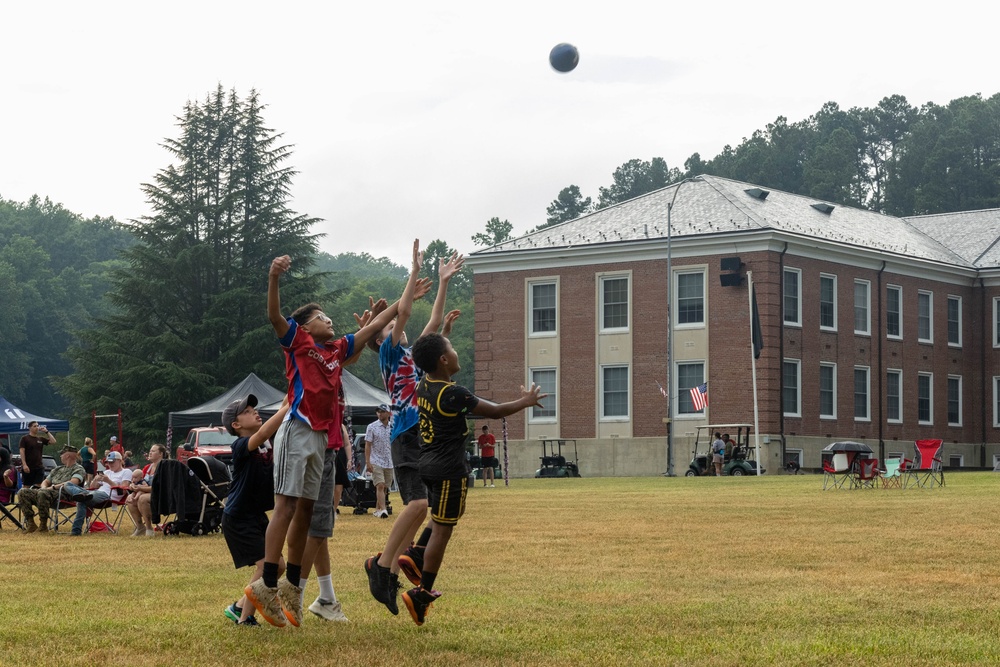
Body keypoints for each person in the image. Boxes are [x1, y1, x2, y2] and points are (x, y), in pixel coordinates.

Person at [244, 253, 398, 629]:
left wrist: (408, 289)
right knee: (286, 508)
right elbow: (275, 317)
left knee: (309, 512)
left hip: (320, 440)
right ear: (307, 327)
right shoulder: (298, 342)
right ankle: (266, 583)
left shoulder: (334, 351)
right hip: (298, 431)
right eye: (322, 316)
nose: (329, 319)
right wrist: (274, 277)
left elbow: (375, 327)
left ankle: (294, 586)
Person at [400, 332, 546, 626]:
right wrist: (526, 401)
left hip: (426, 464)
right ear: (443, 360)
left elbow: (430, 354)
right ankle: (422, 592)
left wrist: (444, 333)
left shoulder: (424, 384)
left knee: (442, 517)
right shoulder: (454, 393)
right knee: (444, 529)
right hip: (448, 469)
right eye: (451, 348)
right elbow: (494, 412)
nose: (455, 352)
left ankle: (415, 553)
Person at [364, 241, 462, 616]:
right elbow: (404, 310)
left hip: (423, 435)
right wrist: (412, 273)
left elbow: (433, 324)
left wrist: (442, 283)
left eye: (397, 326)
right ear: (380, 339)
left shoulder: (412, 357)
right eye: (390, 327)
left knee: (429, 506)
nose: (398, 327)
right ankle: (382, 564)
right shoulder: (389, 353)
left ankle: (407, 557)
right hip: (405, 433)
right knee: (418, 502)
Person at [221, 394, 289, 628]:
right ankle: (245, 619)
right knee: (265, 566)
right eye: (248, 411)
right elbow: (264, 432)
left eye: (254, 409)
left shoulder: (263, 441)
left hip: (256, 514)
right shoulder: (240, 445)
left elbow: (282, 406)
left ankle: (239, 607)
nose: (255, 412)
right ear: (236, 425)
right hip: (238, 518)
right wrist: (287, 408)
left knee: (278, 566)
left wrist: (296, 381)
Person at [17, 445, 86, 533]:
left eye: (62, 454)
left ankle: (43, 525)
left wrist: (52, 488)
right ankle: (31, 524)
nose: (60, 456)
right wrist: (44, 487)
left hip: (65, 495)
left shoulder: (79, 469)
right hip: (48, 493)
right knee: (23, 492)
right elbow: (45, 481)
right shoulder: (58, 469)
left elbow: (73, 482)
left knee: (43, 494)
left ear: (67, 456)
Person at [64, 450, 132, 536]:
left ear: (119, 461)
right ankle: (83, 495)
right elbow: (93, 486)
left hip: (108, 496)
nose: (110, 464)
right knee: (68, 484)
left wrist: (108, 481)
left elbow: (122, 490)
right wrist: (96, 479)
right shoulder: (106, 472)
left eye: (112, 462)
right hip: (95, 493)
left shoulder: (126, 472)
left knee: (82, 501)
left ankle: (76, 531)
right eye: (108, 462)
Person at [126, 443, 168, 536]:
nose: (150, 453)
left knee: (142, 498)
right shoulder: (147, 468)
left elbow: (160, 488)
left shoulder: (165, 467)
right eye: (150, 451)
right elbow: (139, 481)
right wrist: (133, 486)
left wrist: (140, 488)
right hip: (146, 493)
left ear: (160, 454)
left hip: (162, 497)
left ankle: (149, 529)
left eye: (153, 451)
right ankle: (140, 527)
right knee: (130, 498)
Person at [364, 404, 394, 519]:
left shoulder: (393, 427)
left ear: (388, 413)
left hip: (389, 461)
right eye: (378, 411)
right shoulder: (372, 426)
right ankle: (384, 510)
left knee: (385, 486)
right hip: (376, 460)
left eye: (382, 411)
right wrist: (368, 462)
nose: (380, 413)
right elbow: (368, 445)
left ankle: (378, 509)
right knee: (380, 485)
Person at [19, 421, 56, 488]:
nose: (37, 427)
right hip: (29, 466)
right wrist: (24, 464)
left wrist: (46, 432)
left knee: (38, 486)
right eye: (34, 426)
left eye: (37, 426)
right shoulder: (25, 438)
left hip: (39, 467)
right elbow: (22, 451)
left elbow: (53, 441)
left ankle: (35, 498)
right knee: (26, 486)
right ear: (30, 428)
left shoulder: (40, 439)